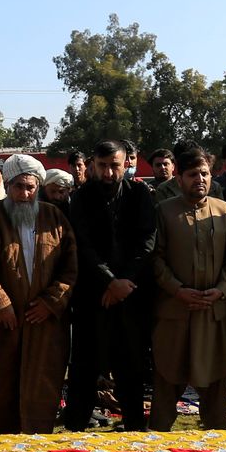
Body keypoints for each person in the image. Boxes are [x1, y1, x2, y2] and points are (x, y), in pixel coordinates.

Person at [0, 153, 76, 434]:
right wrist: (0, 303)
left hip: (44, 324)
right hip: (0, 322)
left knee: (42, 385)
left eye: (30, 187)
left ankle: (38, 448)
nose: (25, 194)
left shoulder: (54, 217)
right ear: (7, 185)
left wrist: (50, 303)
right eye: (18, 187)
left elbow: (69, 269)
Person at [61, 139, 156, 432]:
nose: (108, 173)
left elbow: (147, 242)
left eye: (115, 165)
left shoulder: (139, 193)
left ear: (127, 163)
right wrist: (109, 281)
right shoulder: (81, 197)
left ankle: (135, 432)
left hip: (131, 295)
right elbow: (83, 246)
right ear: (93, 164)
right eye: (102, 166)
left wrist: (124, 282)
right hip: (94, 296)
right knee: (85, 370)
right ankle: (75, 432)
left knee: (131, 370)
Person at [148, 145, 226, 431]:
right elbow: (154, 258)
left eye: (204, 174)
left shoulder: (223, 211)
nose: (199, 179)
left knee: (215, 381)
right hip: (175, 311)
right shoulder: (163, 212)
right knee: (167, 379)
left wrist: (222, 289)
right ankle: (154, 445)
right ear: (179, 179)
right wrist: (177, 289)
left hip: (213, 312)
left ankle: (218, 446)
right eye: (192, 174)